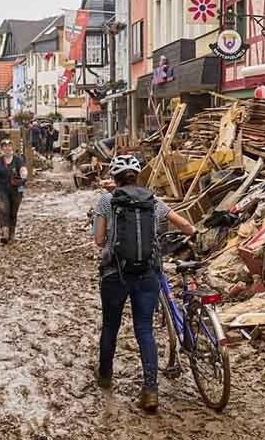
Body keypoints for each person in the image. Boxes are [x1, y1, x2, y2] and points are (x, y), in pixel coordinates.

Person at [93, 155, 195, 413]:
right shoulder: (153, 200)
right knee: (144, 329)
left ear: (115, 178)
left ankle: (105, 376)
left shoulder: (106, 200)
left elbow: (98, 239)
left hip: (115, 274)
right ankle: (150, 390)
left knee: (110, 325)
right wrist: (193, 233)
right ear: (137, 176)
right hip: (147, 275)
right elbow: (185, 225)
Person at [0, 139, 28, 244]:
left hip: (16, 190)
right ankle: (5, 233)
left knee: (13, 213)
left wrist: (23, 175)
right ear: (2, 148)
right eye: (5, 146)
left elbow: (23, 169)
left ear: (12, 147)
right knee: (3, 211)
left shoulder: (18, 160)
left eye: (9, 146)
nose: (7, 148)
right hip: (1, 190)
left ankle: (11, 234)